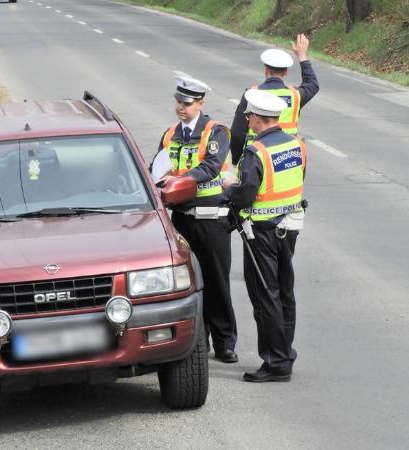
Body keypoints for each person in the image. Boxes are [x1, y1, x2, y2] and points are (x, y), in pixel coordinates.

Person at [155, 76, 238, 363]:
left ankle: (225, 342)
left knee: (216, 282)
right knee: (187, 284)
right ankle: (197, 343)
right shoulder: (169, 134)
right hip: (182, 220)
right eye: (178, 102)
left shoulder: (215, 133)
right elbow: (158, 168)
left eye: (187, 103)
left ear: (200, 103)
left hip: (211, 220)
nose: (181, 107)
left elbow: (211, 167)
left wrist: (178, 181)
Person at [226, 89, 307, 383]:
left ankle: (275, 362)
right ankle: (285, 351)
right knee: (285, 291)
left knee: (265, 295)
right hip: (290, 227)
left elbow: (245, 195)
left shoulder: (256, 152)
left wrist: (228, 188)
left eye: (249, 116)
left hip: (262, 231)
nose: (247, 120)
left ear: (257, 118)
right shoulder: (297, 144)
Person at [229, 34, 319, 165]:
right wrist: (302, 56)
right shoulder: (295, 96)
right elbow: (312, 84)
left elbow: (237, 133)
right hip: (288, 158)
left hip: (257, 157)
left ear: (265, 69)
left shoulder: (252, 95)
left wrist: (237, 159)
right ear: (286, 72)